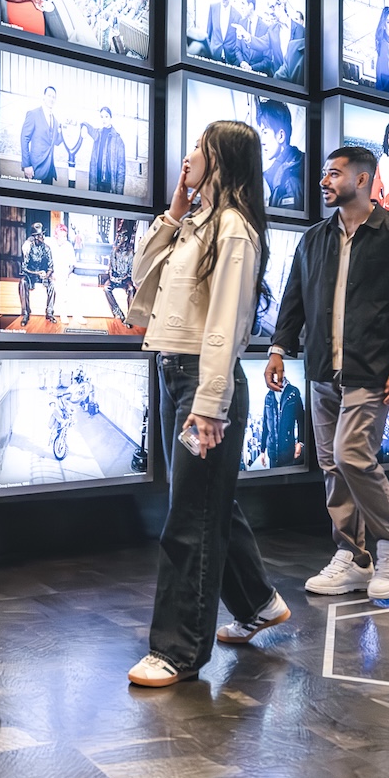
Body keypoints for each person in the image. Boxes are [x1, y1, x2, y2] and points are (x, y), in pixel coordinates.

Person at [124, 121, 286, 684]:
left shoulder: (234, 230)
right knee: (207, 502)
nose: (189, 154)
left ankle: (178, 650)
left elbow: (225, 326)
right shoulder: (194, 223)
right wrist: (172, 212)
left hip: (202, 382)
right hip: (177, 374)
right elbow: (139, 286)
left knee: (188, 518)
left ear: (222, 160)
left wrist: (209, 404)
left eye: (200, 147)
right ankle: (259, 602)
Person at [269, 146, 389, 600]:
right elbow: (294, 298)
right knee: (331, 466)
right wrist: (279, 347)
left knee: (352, 456)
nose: (324, 181)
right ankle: (354, 556)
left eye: (334, 174)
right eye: (325, 173)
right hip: (323, 369)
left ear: (362, 180)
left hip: (374, 371)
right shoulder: (315, 238)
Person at [256, 99, 303, 211]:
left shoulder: (289, 180)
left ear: (281, 136)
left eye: (265, 132)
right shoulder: (290, 168)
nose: (261, 141)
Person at [256, 374, 305, 470]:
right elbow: (266, 424)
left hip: (288, 450)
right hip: (272, 452)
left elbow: (301, 419)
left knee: (288, 481)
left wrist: (300, 442)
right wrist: (262, 450)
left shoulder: (293, 393)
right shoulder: (269, 396)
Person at [16, 220, 56, 326]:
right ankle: (26, 313)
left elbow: (51, 267)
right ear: (35, 236)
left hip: (43, 276)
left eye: (43, 234)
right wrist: (36, 273)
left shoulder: (47, 248)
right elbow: (24, 267)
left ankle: (49, 312)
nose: (43, 236)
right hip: (31, 275)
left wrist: (46, 275)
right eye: (40, 235)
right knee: (23, 282)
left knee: (53, 285)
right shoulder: (29, 248)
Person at [20, 83, 62, 183]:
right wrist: (26, 165)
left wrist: (62, 131)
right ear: (44, 97)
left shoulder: (55, 121)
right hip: (35, 169)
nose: (51, 99)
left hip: (49, 171)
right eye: (49, 96)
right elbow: (24, 139)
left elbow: (57, 142)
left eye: (54, 97)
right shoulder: (33, 114)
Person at [87, 105, 127, 195]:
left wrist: (119, 192)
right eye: (102, 117)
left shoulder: (118, 140)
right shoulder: (97, 135)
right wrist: (84, 127)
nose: (104, 119)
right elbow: (88, 127)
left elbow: (121, 169)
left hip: (110, 187)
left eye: (106, 116)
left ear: (111, 118)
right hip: (97, 184)